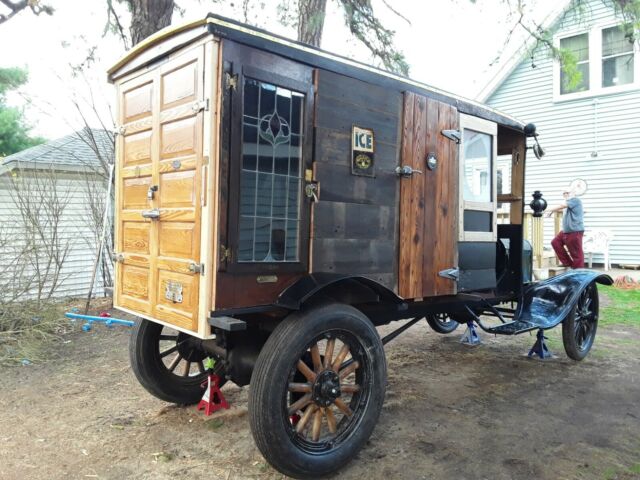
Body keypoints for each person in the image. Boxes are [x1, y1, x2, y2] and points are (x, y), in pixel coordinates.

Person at [547, 186, 585, 269]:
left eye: (567, 193)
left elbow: (562, 206)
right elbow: (562, 207)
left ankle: (578, 273)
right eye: (564, 193)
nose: (565, 194)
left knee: (576, 254)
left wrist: (547, 210)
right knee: (555, 242)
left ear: (572, 193)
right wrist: (553, 211)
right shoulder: (568, 203)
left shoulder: (575, 200)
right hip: (566, 231)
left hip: (575, 230)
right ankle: (567, 263)